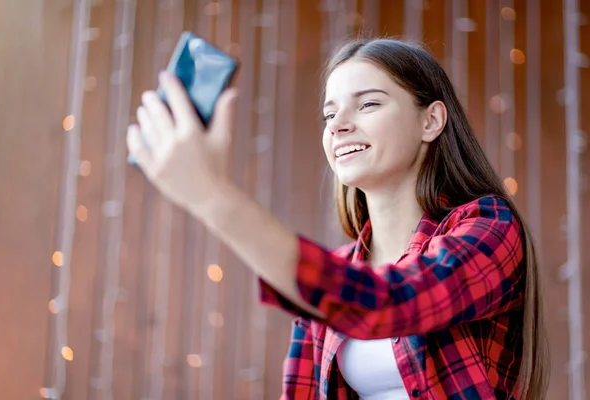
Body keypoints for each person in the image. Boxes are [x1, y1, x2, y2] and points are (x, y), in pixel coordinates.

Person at [126, 37, 550, 399]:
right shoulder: (339, 269)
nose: (339, 126)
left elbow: (387, 302)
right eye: (330, 114)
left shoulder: (490, 227)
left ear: (431, 120)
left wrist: (213, 197)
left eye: (367, 104)